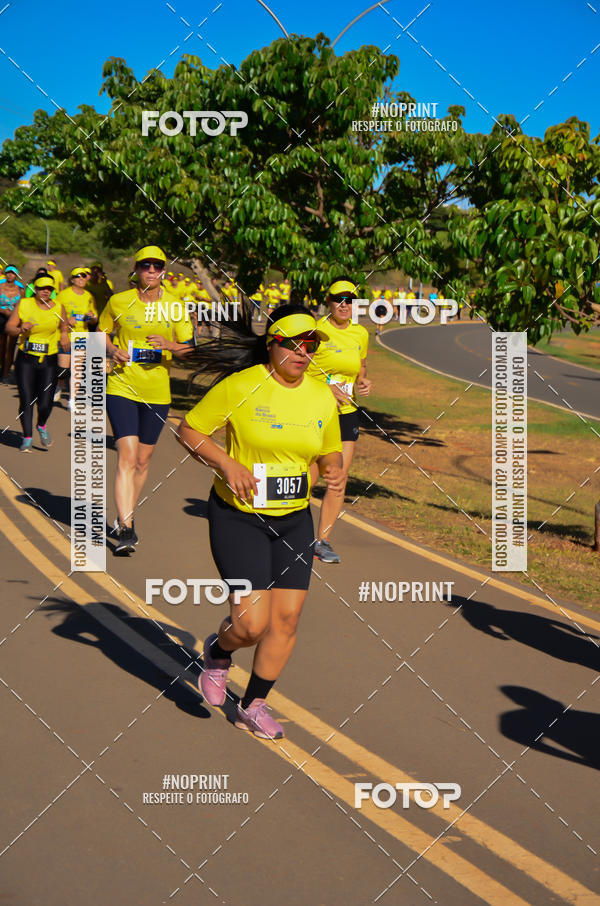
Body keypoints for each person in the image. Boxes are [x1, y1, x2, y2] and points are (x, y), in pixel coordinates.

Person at [176, 304, 343, 739]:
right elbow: (189, 429)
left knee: (286, 620)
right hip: (239, 516)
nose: (304, 353)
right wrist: (227, 464)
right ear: (273, 345)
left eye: (311, 345)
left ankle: (254, 704)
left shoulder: (321, 394)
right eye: (295, 344)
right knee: (250, 624)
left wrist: (334, 465)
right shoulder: (242, 386)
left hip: (293, 518)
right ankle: (217, 650)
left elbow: (330, 448)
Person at [98, 245, 193, 554]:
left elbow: (191, 349)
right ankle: (125, 528)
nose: (151, 270)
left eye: (157, 266)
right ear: (136, 269)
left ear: (163, 271)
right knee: (126, 454)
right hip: (122, 385)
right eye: (145, 265)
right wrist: (113, 351)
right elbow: (102, 333)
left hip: (157, 391)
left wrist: (169, 344)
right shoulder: (118, 301)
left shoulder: (176, 307)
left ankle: (128, 514)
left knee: (143, 460)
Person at [306, 277, 372, 563]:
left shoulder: (361, 334)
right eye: (338, 299)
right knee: (308, 474)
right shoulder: (315, 331)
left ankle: (322, 541)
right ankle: (282, 526)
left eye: (350, 300)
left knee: (338, 477)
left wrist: (364, 382)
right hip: (315, 410)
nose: (344, 305)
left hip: (346, 413)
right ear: (328, 302)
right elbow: (296, 369)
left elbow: (361, 367)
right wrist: (325, 389)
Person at [5, 276, 69, 451]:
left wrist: (64, 334)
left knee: (45, 402)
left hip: (48, 361)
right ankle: (26, 438)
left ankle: (41, 425)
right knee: (26, 399)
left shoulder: (58, 307)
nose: (46, 291)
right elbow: (9, 327)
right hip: (26, 359)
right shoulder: (24, 304)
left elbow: (64, 326)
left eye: (49, 288)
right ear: (35, 289)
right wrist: (21, 329)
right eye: (42, 288)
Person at [55, 267, 98, 407]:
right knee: (63, 368)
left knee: (77, 368)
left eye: (84, 276)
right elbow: (54, 315)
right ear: (72, 279)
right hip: (65, 335)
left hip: (81, 336)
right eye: (78, 276)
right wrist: (67, 321)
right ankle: (59, 386)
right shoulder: (63, 295)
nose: (82, 278)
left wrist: (92, 318)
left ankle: (72, 400)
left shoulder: (89, 297)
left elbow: (94, 320)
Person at [0, 266, 23, 382]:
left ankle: (6, 373)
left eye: (13, 273)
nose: (10, 275)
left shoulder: (20, 290)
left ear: (16, 276)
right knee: (1, 346)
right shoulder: (0, 287)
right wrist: (4, 311)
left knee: (10, 347)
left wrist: (14, 313)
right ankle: (1, 369)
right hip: (1, 317)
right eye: (8, 273)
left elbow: (23, 305)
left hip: (15, 319)